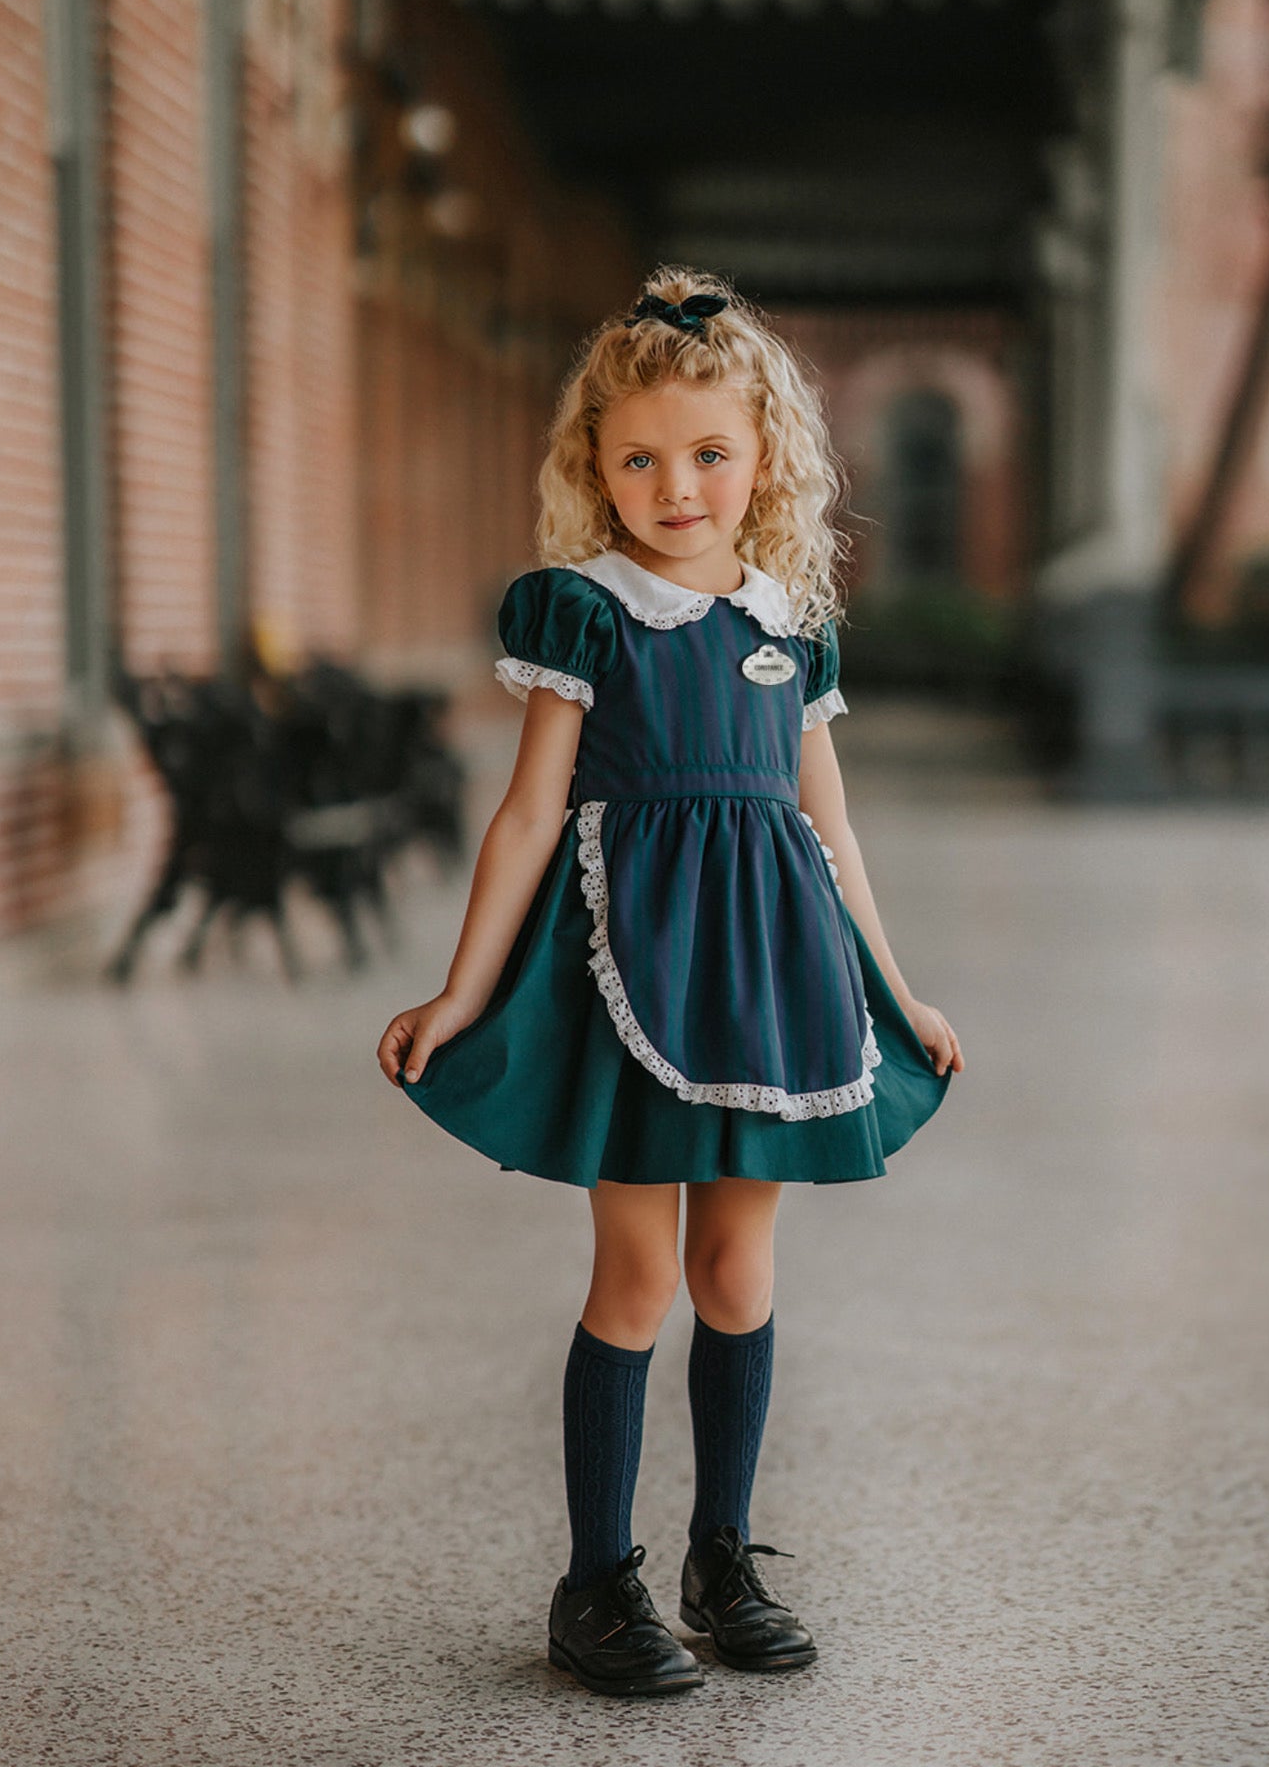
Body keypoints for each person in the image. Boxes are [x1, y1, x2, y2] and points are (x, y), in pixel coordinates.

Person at [376, 270, 964, 1699]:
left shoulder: (791, 625)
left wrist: (898, 994)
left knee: (736, 1273)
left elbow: (829, 830)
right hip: (625, 966)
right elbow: (529, 816)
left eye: (707, 454)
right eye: (637, 459)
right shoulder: (584, 613)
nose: (676, 487)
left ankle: (721, 1557)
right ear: (594, 465)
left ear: (765, 460)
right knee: (637, 1277)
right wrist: (458, 993)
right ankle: (595, 1584)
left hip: (769, 979)